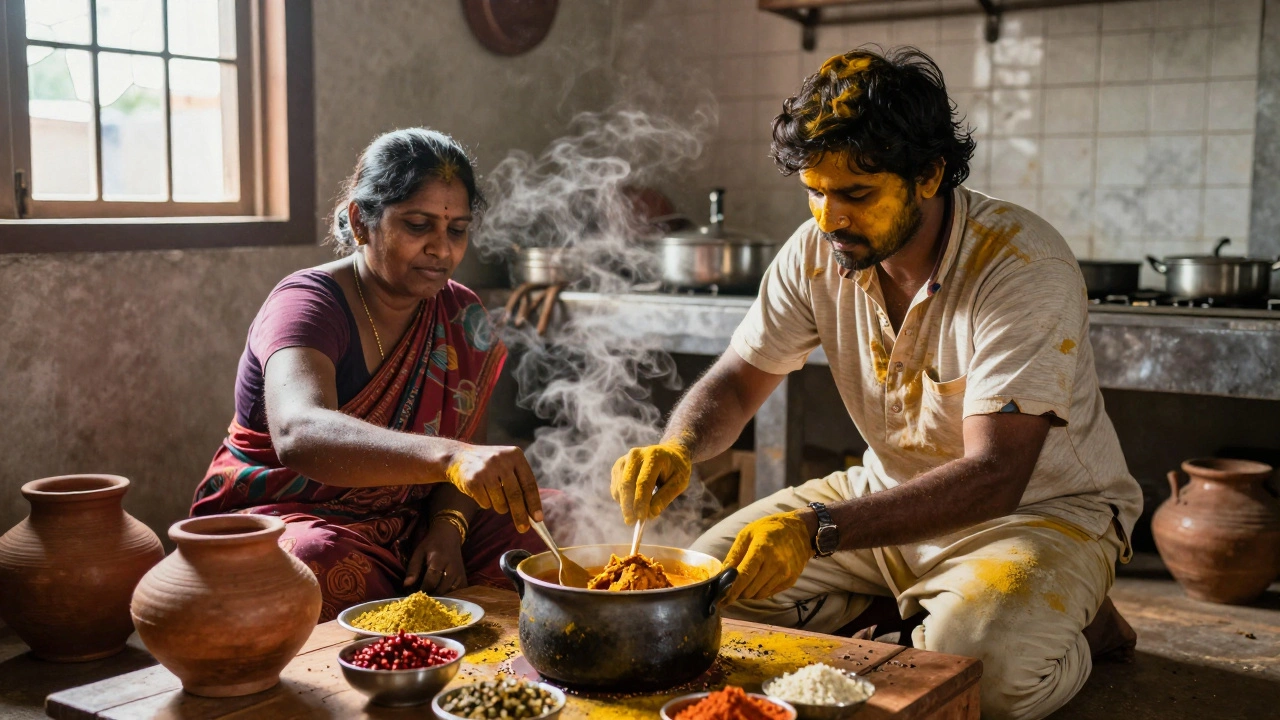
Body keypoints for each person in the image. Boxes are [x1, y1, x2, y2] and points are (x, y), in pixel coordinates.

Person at [610, 49, 1141, 720]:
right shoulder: (815, 250)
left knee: (988, 680)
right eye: (815, 190)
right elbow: (738, 382)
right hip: (885, 496)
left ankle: (1086, 626)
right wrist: (679, 447)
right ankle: (907, 603)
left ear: (929, 174)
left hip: (1035, 516)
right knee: (703, 587)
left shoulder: (1021, 264)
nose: (829, 217)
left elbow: (997, 475)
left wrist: (817, 529)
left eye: (856, 194)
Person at [193, 128, 553, 621]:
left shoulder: (462, 314)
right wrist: (449, 456)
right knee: (313, 563)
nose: (441, 250)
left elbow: (469, 443)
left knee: (555, 517)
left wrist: (447, 529)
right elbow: (300, 432)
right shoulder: (308, 304)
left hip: (412, 524)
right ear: (362, 222)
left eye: (456, 230)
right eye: (418, 225)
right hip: (294, 519)